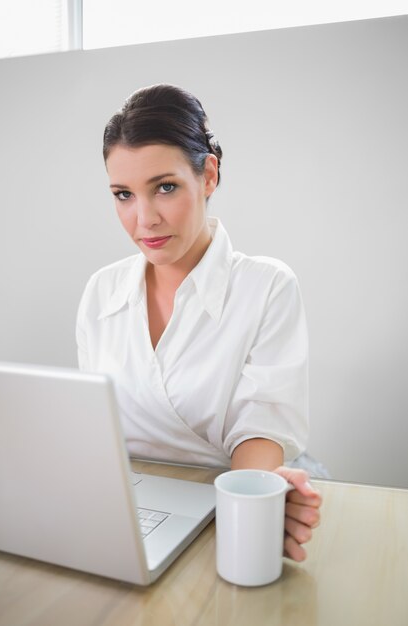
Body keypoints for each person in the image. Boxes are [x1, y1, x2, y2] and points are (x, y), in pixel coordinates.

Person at [76, 83, 321, 562]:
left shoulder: (266, 286)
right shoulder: (100, 294)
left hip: (232, 492)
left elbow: (261, 430)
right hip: (140, 507)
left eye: (165, 187)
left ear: (208, 175)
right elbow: (99, 433)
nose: (144, 219)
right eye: (123, 195)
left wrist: (248, 502)